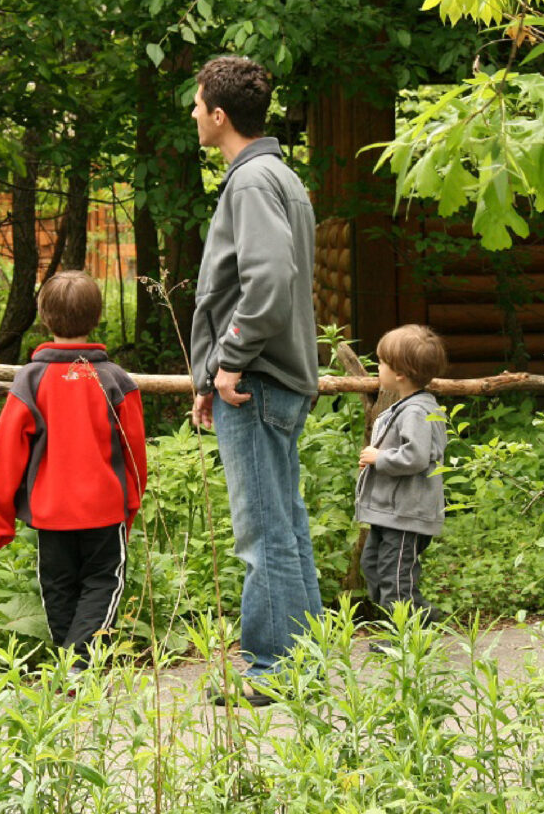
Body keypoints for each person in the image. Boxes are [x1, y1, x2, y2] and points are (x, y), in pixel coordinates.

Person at [188, 55, 322, 703]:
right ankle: (309, 663)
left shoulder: (250, 182)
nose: (192, 115)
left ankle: (274, 670)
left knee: (264, 531)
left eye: (197, 105)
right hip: (269, 377)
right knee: (286, 524)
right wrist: (206, 375)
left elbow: (267, 284)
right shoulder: (279, 177)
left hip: (257, 379)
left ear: (219, 115)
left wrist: (229, 361)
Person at [0, 270, 148, 668]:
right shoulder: (114, 379)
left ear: (43, 316)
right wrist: (132, 505)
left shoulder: (31, 379)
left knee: (57, 588)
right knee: (103, 583)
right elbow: (135, 453)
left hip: (51, 514)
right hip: (104, 512)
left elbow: (5, 455)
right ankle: (78, 667)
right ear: (97, 317)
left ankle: (71, 668)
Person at [356, 324, 449, 641]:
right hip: (390, 511)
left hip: (407, 514)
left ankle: (402, 636)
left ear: (400, 373)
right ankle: (421, 616)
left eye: (381, 363)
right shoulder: (405, 406)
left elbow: (417, 455)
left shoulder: (417, 411)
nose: (377, 367)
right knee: (372, 566)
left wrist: (379, 458)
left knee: (396, 576)